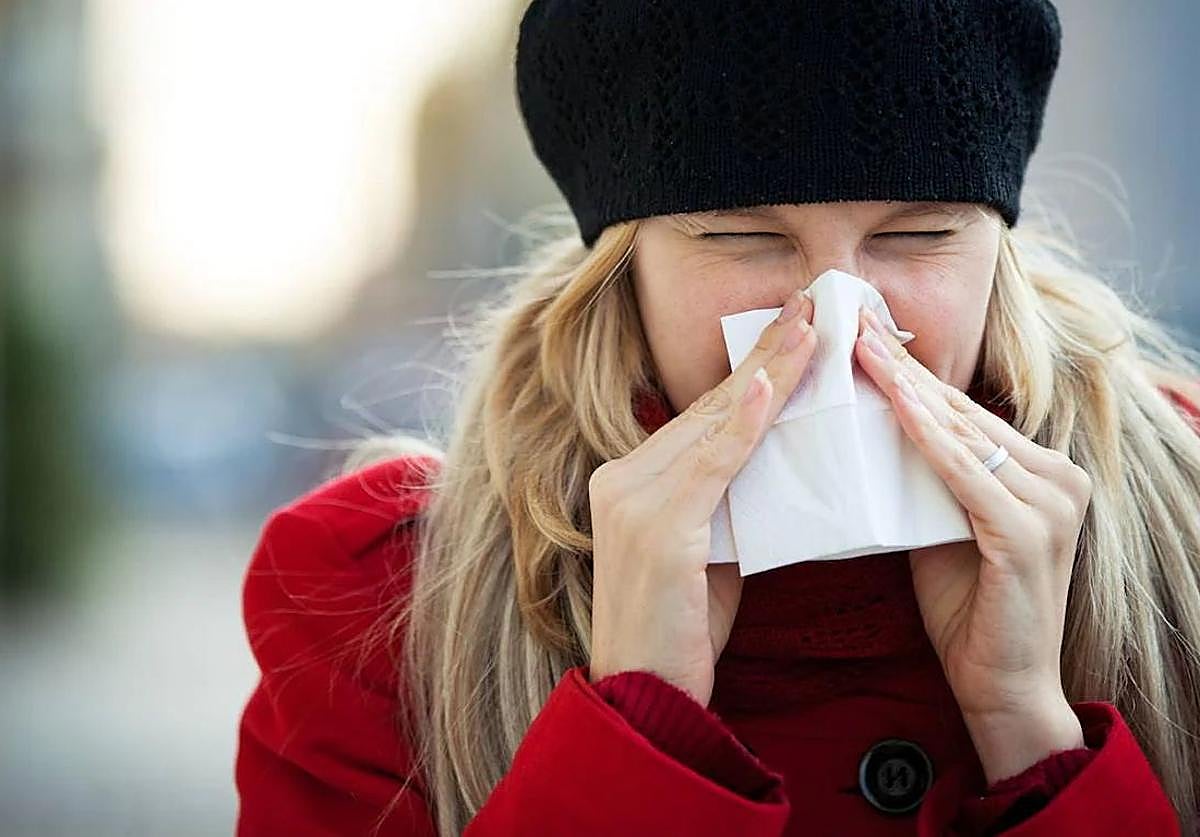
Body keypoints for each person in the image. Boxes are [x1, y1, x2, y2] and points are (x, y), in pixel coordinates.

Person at [234, 1, 1200, 834]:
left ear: (996, 251)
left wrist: (1029, 729)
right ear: (626, 269)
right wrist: (635, 735)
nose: (832, 321)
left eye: (918, 235)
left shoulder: (1184, 524)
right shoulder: (381, 606)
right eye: (744, 237)